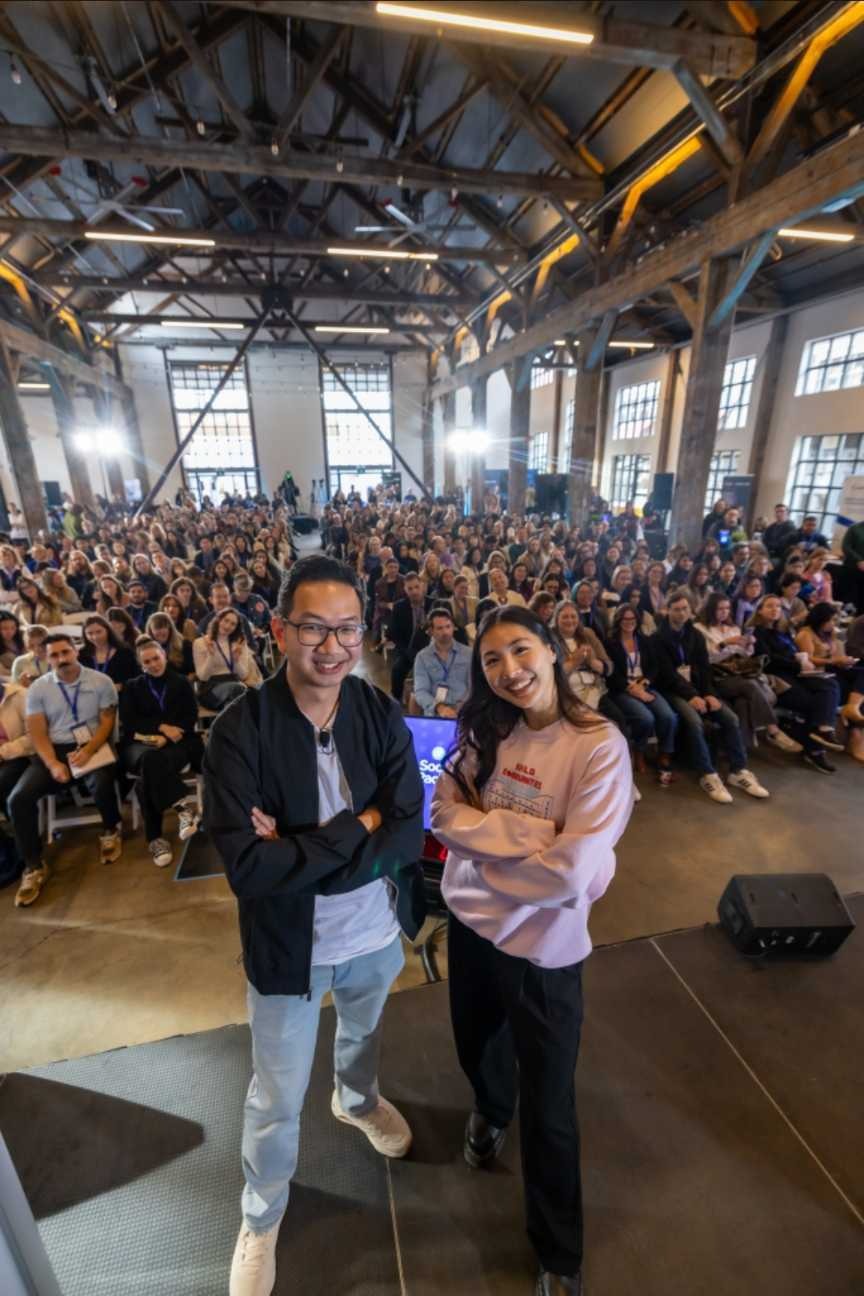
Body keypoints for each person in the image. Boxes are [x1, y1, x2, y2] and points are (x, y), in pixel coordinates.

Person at [203, 554, 425, 1296]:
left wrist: (306, 852)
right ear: (278, 629)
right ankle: (261, 1217)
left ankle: (356, 1100)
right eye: (313, 630)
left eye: (347, 630)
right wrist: (356, 826)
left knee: (362, 1038)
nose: (331, 647)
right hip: (288, 950)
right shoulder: (240, 732)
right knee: (274, 1095)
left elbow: (404, 831)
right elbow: (249, 870)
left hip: (372, 935)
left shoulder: (377, 711)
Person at [430, 605, 633, 1296]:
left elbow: (573, 875)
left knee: (550, 1108)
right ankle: (490, 1109)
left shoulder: (597, 746)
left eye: (520, 651)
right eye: (492, 660)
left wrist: (484, 841)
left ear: (551, 651)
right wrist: (532, 838)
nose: (509, 670)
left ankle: (558, 1255)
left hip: (545, 953)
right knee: (476, 1045)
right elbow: (442, 816)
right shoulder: (483, 728)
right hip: (471, 929)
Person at [12, 632, 121, 908]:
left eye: (65, 652)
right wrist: (53, 763)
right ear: (46, 658)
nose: (61, 659)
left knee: (101, 781)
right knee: (18, 798)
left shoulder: (101, 682)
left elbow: (107, 722)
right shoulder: (38, 689)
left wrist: (89, 750)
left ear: (75, 651)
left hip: (92, 743)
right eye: (54, 655)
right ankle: (34, 866)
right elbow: (36, 731)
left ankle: (110, 830)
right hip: (54, 749)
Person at [655, 592, 769, 803]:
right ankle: (707, 773)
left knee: (730, 718)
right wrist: (691, 696)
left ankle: (739, 770)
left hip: (698, 688)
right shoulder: (658, 638)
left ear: (691, 611)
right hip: (673, 691)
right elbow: (667, 675)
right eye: (677, 609)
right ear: (667, 610)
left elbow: (705, 669)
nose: (681, 613)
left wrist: (708, 693)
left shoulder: (695, 636)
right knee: (694, 721)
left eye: (685, 609)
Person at [120, 637, 203, 868]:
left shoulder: (181, 682)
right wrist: (161, 727)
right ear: (141, 664)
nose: (153, 664)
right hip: (138, 745)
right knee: (149, 759)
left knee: (148, 773)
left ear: (164, 656)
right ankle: (181, 807)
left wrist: (167, 736)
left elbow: (190, 716)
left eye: (156, 658)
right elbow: (130, 721)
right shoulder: (132, 686)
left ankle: (155, 839)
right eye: (147, 661)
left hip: (176, 744)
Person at [694, 593, 802, 754]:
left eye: (727, 608)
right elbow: (705, 659)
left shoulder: (734, 628)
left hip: (736, 672)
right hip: (716, 675)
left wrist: (748, 646)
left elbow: (744, 656)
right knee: (749, 686)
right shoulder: (700, 629)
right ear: (710, 609)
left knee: (743, 702)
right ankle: (773, 730)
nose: (724, 612)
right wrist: (724, 644)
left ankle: (739, 749)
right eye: (720, 608)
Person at [749, 595, 842, 774]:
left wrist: (802, 660)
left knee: (830, 685)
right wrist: (797, 662)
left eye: (778, 606)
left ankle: (824, 728)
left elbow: (794, 653)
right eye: (769, 606)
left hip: (797, 672)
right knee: (813, 703)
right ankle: (814, 748)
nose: (775, 609)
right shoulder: (756, 632)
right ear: (760, 610)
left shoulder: (783, 632)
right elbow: (768, 660)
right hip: (776, 677)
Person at [606, 603, 678, 783]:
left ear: (637, 620)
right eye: (625, 619)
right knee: (646, 718)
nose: (629, 622)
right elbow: (611, 675)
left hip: (644, 685)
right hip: (622, 689)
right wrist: (632, 688)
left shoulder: (645, 640)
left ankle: (665, 753)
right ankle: (639, 751)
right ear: (618, 620)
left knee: (669, 716)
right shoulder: (610, 643)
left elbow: (654, 666)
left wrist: (645, 682)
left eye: (632, 619)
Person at [796, 602, 864, 728]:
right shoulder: (806, 633)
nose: (833, 624)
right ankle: (851, 710)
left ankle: (853, 710)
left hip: (833, 667)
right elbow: (808, 659)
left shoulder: (829, 634)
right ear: (820, 619)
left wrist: (845, 660)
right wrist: (834, 661)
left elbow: (837, 654)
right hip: (818, 672)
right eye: (831, 620)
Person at [193, 607, 262, 712]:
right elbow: (203, 677)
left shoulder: (239, 644)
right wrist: (211, 656)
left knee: (235, 699)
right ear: (218, 620)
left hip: (234, 684)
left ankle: (228, 727)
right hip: (211, 688)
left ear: (236, 627)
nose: (228, 626)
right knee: (240, 692)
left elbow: (243, 675)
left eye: (233, 624)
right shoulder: (200, 643)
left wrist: (235, 660)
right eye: (226, 620)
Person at [412, 606, 473, 717]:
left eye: (448, 627)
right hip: (435, 712)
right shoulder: (422, 657)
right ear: (431, 631)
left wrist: (462, 705)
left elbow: (474, 686)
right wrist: (439, 707)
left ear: (454, 627)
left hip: (465, 711)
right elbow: (421, 691)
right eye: (439, 628)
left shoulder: (469, 654)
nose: (445, 632)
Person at [389, 571, 431, 703]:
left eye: (416, 587)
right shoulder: (399, 607)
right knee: (397, 670)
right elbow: (394, 635)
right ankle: (396, 701)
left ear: (422, 586)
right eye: (410, 588)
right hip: (409, 650)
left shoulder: (434, 603)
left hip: (433, 649)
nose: (414, 591)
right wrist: (408, 653)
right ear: (405, 590)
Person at [79, 614, 139, 691]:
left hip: (122, 697)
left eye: (99, 632)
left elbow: (137, 678)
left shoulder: (124, 652)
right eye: (90, 633)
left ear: (108, 630)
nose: (95, 637)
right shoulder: (82, 654)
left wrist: (121, 686)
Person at [146, 611, 195, 676]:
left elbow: (193, 672)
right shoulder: (146, 649)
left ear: (170, 628)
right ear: (151, 631)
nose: (160, 632)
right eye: (156, 629)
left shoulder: (185, 644)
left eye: (163, 627)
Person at [841, 515, 864, 612]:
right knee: (849, 598)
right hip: (852, 569)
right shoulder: (854, 528)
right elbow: (845, 546)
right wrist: (859, 560)